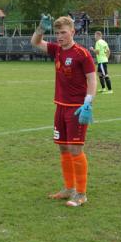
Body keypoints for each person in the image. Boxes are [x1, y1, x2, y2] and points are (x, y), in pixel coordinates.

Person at [31, 16, 96, 207]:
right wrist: (41, 28)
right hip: (60, 106)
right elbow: (35, 42)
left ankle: (81, 193)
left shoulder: (82, 54)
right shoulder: (57, 50)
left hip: (77, 109)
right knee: (63, 147)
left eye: (63, 33)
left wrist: (87, 103)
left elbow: (92, 80)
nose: (59, 37)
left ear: (73, 32)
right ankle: (69, 188)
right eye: (57, 33)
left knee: (76, 149)